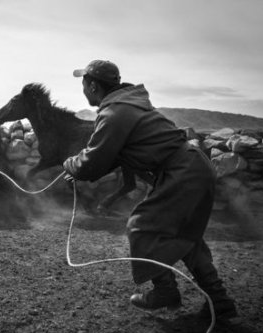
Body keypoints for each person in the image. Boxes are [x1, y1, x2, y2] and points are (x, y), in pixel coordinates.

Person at [63, 60, 237, 319]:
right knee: (185, 235)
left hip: (182, 172)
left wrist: (71, 165)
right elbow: (112, 156)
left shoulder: (115, 113)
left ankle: (165, 291)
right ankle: (219, 301)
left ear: (91, 85)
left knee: (141, 226)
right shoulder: (129, 106)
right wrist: (80, 170)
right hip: (193, 167)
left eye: (83, 84)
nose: (83, 90)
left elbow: (94, 160)